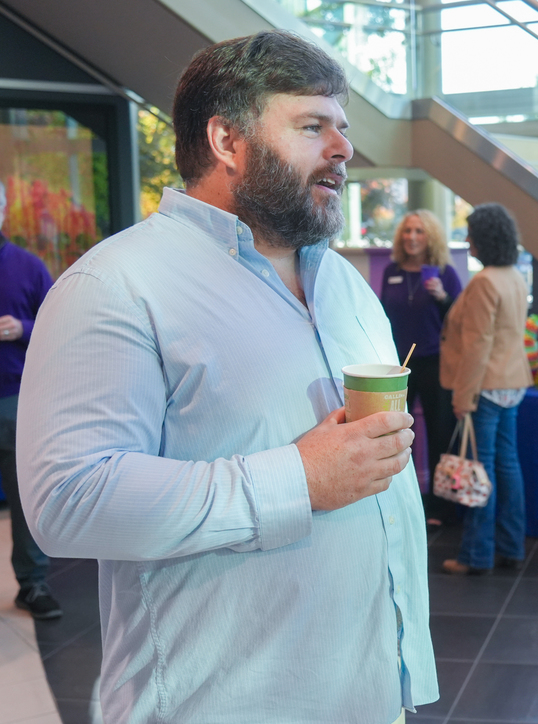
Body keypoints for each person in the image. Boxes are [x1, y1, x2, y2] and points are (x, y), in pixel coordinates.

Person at [18, 31, 437, 724]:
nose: (343, 149)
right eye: (312, 126)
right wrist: (298, 478)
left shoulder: (347, 288)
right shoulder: (115, 285)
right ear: (226, 141)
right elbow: (68, 500)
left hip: (373, 693)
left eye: (344, 128)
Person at [439, 203, 533, 575]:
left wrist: (462, 397)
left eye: (471, 234)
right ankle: (511, 547)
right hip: (513, 381)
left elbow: (478, 345)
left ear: (484, 238)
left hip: (486, 386)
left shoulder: (484, 281)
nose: (467, 240)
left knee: (481, 470)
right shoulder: (514, 276)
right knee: (507, 467)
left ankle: (476, 555)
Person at [0, 180, 61, 620]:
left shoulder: (29, 267)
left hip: (14, 400)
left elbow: (60, 329)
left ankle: (32, 584)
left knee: (24, 499)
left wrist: (22, 328)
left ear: (3, 210)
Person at [380, 210, 462, 529]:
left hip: (435, 362)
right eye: (407, 231)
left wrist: (443, 297)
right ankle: (403, 498)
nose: (411, 237)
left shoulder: (444, 273)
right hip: (399, 365)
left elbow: (461, 320)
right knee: (398, 432)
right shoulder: (392, 271)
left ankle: (441, 508)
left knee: (439, 434)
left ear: (431, 238)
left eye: (419, 231)